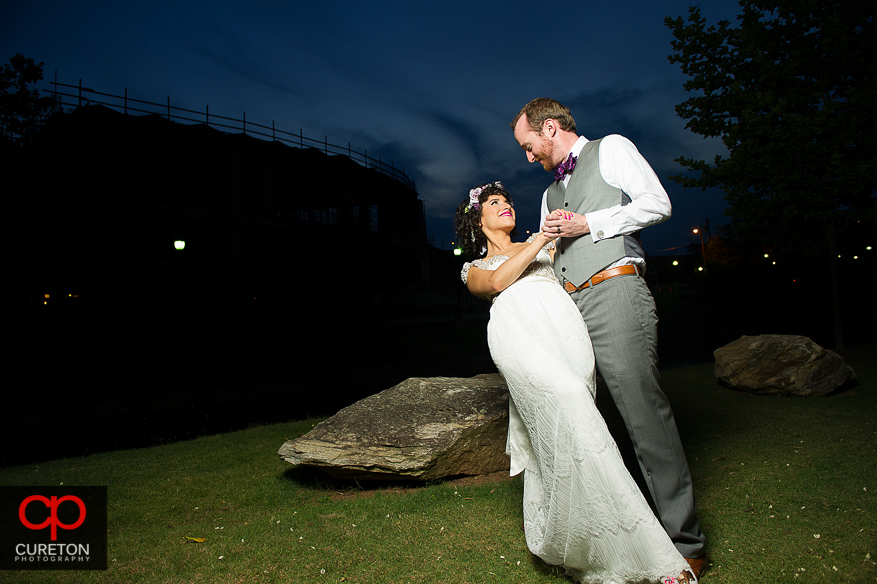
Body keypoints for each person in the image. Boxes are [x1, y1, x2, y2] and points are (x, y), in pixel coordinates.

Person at [455, 180, 692, 584]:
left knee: (570, 435)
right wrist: (539, 240)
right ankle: (648, 557)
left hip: (566, 336)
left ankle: (572, 538)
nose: (506, 205)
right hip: (519, 338)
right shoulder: (474, 268)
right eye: (494, 202)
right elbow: (496, 284)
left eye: (508, 200)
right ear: (478, 221)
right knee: (571, 410)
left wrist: (565, 225)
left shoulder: (545, 244)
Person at [510, 97, 707, 581]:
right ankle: (627, 537)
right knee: (589, 426)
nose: (527, 156)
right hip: (569, 310)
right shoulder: (549, 195)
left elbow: (658, 204)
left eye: (528, 144)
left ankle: (684, 541)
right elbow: (554, 254)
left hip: (614, 292)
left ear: (550, 128)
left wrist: (590, 224)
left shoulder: (612, 149)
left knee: (644, 415)